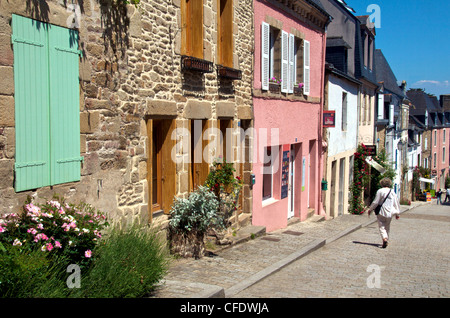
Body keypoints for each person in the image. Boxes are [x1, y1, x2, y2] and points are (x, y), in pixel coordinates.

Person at [366, 178, 400, 248]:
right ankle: (386, 238)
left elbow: (376, 202)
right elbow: (396, 202)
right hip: (390, 212)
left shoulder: (380, 191)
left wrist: (370, 209)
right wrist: (397, 213)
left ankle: (384, 238)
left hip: (381, 211)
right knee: (387, 226)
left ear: (382, 184)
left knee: (381, 226)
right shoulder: (392, 192)